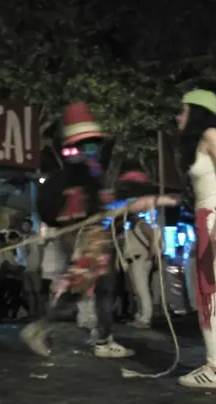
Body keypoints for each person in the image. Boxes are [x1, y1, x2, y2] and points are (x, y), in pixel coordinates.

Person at [26, 102, 180, 359]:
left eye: (93, 145)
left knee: (104, 286)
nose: (93, 149)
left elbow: (94, 202)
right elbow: (82, 204)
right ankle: (42, 327)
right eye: (88, 144)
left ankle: (103, 338)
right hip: (88, 237)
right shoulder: (79, 167)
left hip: (91, 234)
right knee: (82, 288)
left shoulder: (83, 166)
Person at [173, 90, 216, 388]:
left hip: (215, 219)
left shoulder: (210, 134)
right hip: (211, 218)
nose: (178, 116)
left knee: (206, 293)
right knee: (214, 292)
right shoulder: (207, 139)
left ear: (197, 111)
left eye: (183, 110)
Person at [121, 214, 156, 328]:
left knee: (142, 289)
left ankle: (145, 318)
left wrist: (151, 255)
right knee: (137, 290)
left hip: (140, 259)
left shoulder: (142, 225)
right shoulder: (132, 227)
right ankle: (140, 315)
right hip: (133, 260)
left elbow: (153, 238)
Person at [20, 218, 44, 317]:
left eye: (26, 225)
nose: (24, 227)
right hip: (26, 267)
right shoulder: (22, 238)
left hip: (34, 266)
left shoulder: (36, 237)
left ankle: (40, 312)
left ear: (30, 226)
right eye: (23, 225)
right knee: (29, 291)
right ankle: (31, 312)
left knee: (37, 291)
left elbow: (41, 250)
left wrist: (40, 264)